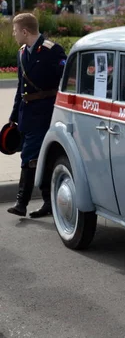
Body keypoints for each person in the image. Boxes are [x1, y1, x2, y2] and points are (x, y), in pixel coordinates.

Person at [6, 13, 67, 218]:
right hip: (26, 114)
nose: (14, 35)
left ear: (25, 31)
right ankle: (49, 202)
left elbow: (66, 81)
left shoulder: (52, 51)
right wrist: (13, 116)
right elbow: (20, 88)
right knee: (40, 157)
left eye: (15, 31)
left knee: (29, 156)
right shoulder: (22, 52)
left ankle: (21, 203)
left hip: (45, 113)